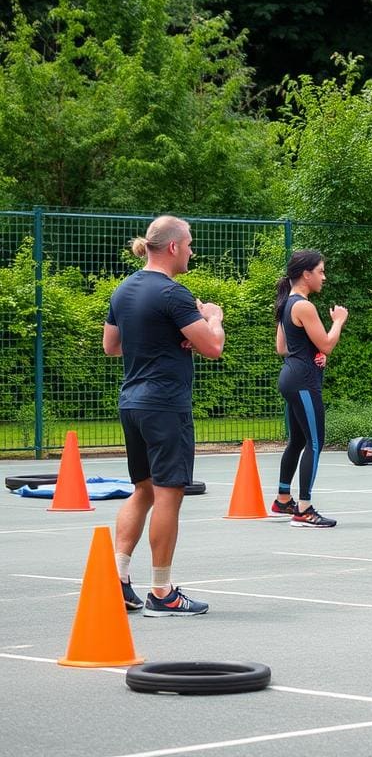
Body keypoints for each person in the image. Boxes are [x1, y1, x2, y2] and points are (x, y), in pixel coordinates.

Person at [103, 215, 224, 616]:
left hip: (132, 402)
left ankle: (118, 579)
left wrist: (163, 338)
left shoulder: (123, 290)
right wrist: (213, 319)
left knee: (143, 490)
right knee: (169, 494)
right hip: (164, 404)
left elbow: (112, 346)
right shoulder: (174, 294)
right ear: (173, 247)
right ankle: (162, 591)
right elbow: (212, 348)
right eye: (189, 244)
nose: (192, 250)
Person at [271, 250, 347, 528]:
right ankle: (303, 509)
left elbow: (283, 348)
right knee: (315, 442)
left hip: (290, 377)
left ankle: (282, 499)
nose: (323, 277)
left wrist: (312, 351)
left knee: (298, 441)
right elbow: (326, 343)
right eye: (321, 271)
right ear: (306, 274)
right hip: (303, 382)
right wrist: (338, 321)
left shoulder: (287, 304)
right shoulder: (304, 306)